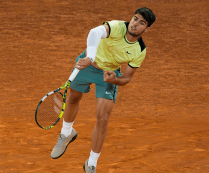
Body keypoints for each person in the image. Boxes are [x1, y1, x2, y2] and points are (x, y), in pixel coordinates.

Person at [50, 7, 156, 172]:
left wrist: (115, 80)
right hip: (87, 64)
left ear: (146, 29)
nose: (135, 24)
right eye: (135, 18)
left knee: (103, 118)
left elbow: (127, 77)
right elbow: (94, 32)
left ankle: (92, 163)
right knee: (73, 98)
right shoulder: (118, 26)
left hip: (108, 74)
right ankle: (66, 133)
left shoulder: (139, 50)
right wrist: (90, 57)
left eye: (141, 23)